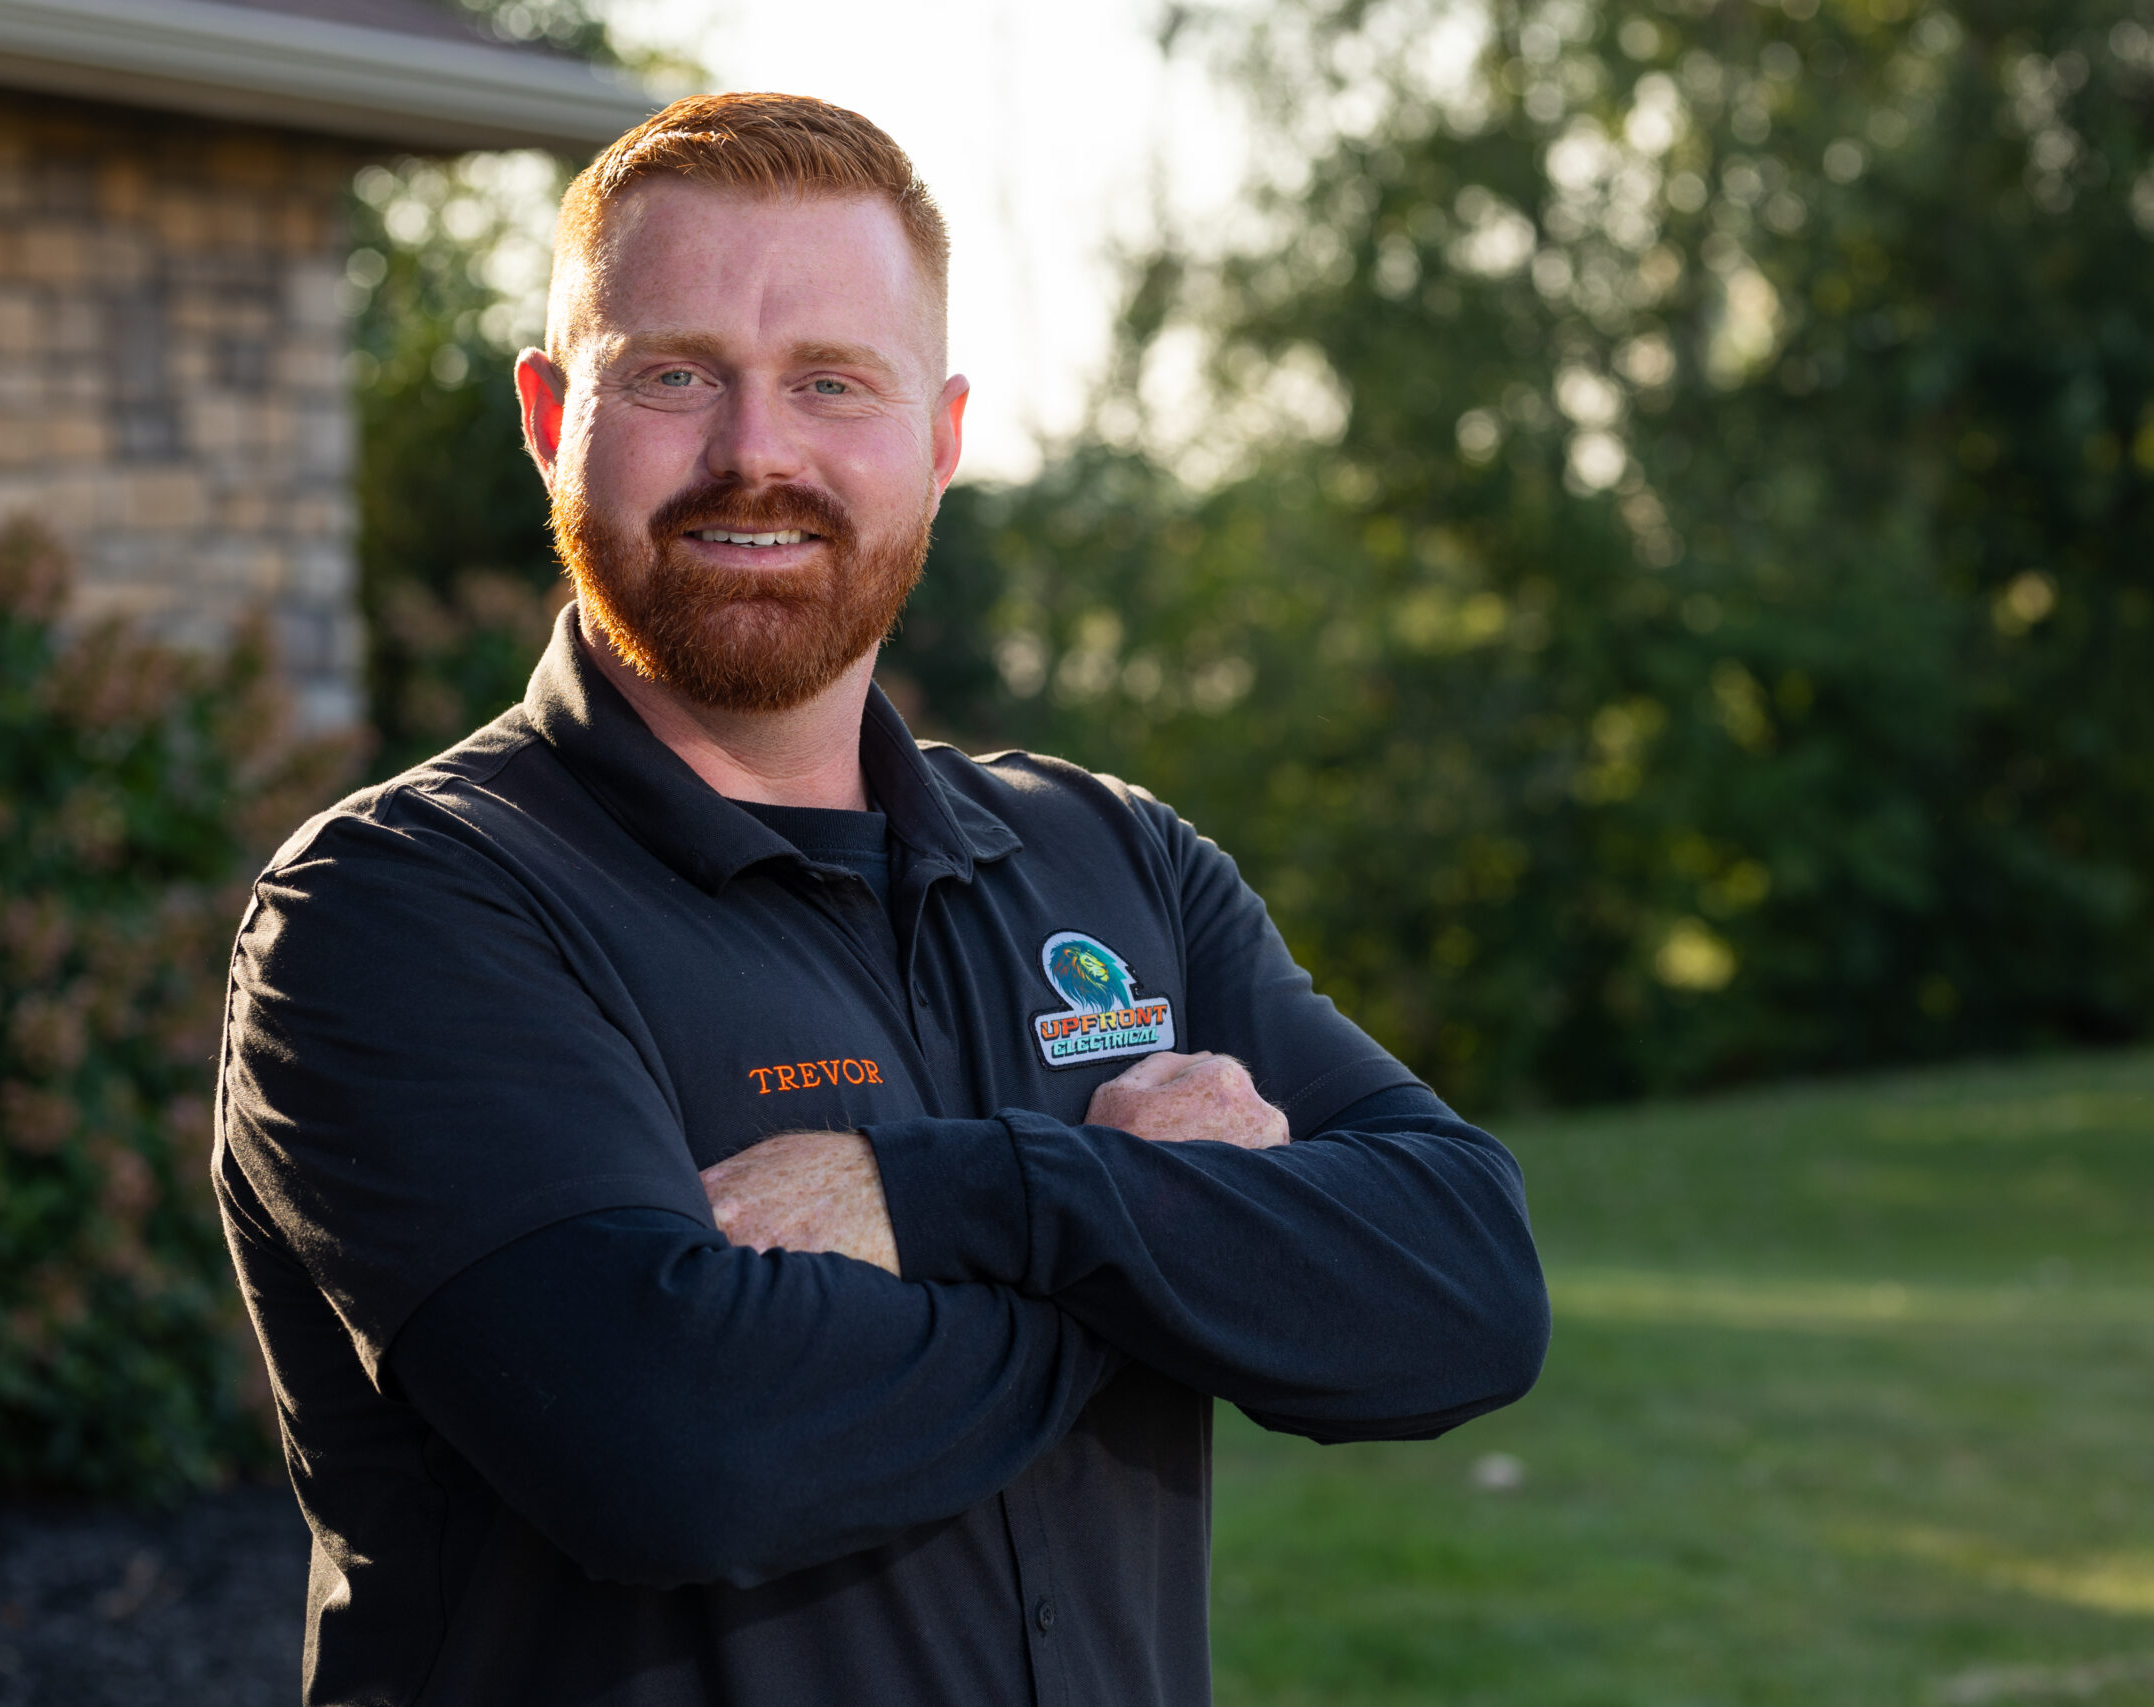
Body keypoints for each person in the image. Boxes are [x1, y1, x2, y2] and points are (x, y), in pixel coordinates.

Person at [215, 91, 1549, 1707]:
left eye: (831, 382)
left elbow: (1466, 1288)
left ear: (941, 438)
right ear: (550, 413)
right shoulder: (400, 911)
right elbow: (683, 1446)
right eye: (676, 374)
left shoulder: (1112, 862)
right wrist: (1160, 1250)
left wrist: (969, 1200)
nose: (755, 452)